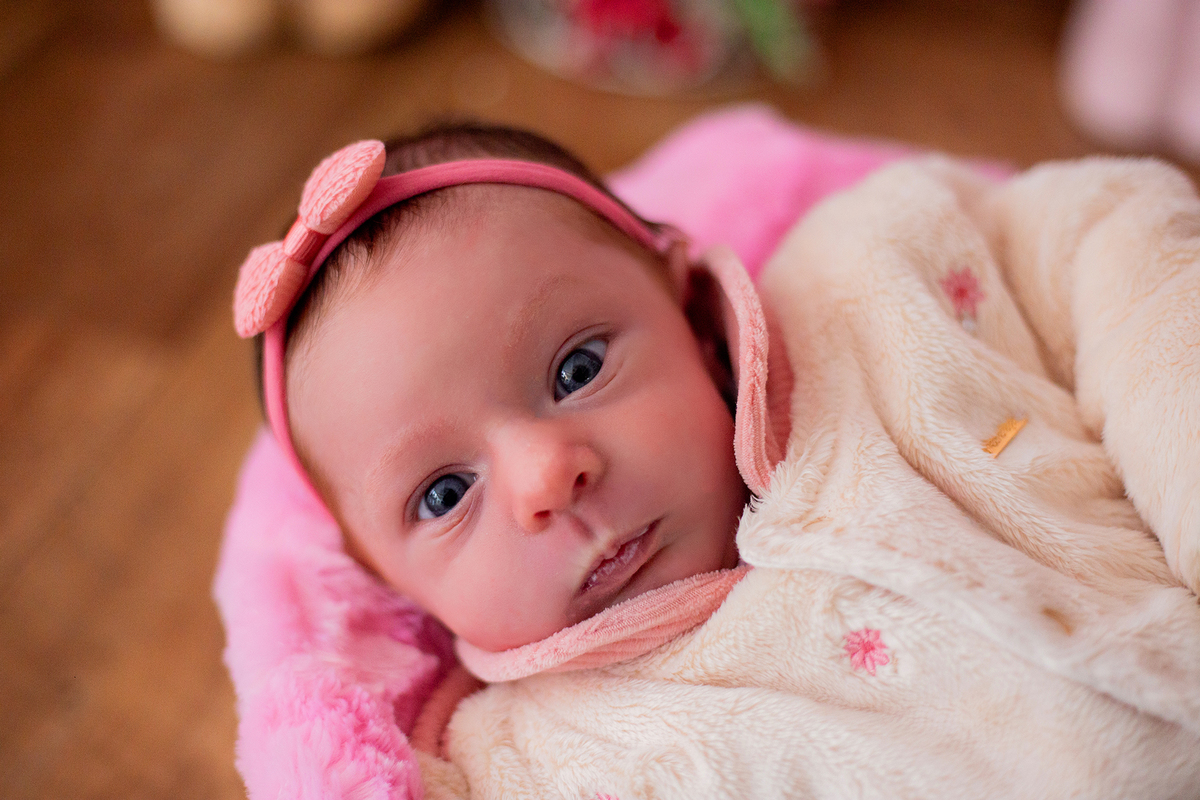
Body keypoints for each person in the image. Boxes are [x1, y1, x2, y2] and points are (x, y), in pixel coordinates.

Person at [231, 120, 1200, 798]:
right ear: (384, 578)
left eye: (577, 367)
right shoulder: (528, 762)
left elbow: (1104, 229)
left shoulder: (869, 290)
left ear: (690, 311)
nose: (546, 477)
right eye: (445, 491)